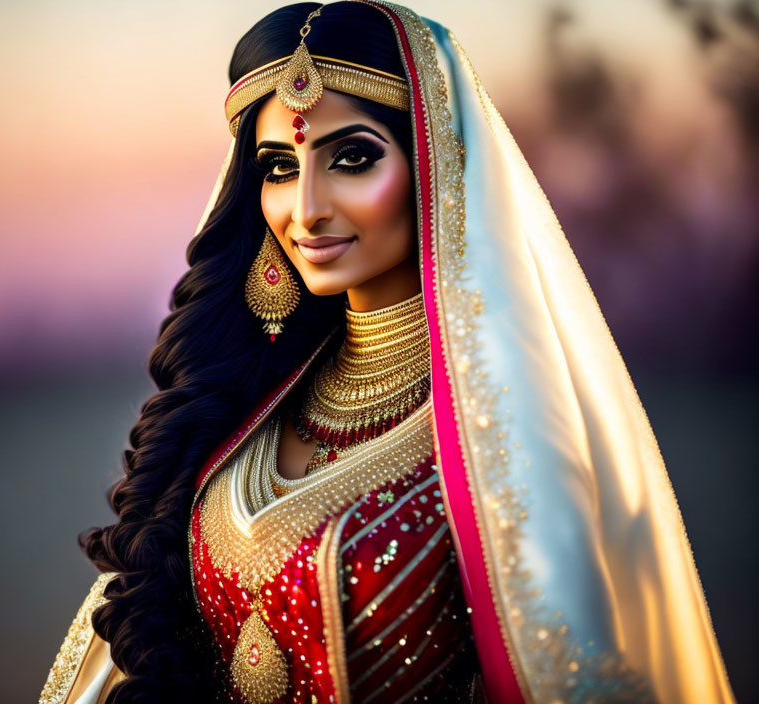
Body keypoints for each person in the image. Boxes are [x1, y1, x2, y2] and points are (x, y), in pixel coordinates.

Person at [39, 2, 735, 703]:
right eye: (279, 167)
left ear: (435, 163)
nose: (306, 207)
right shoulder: (242, 406)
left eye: (351, 158)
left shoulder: (508, 430)